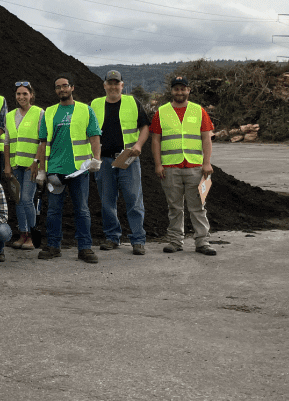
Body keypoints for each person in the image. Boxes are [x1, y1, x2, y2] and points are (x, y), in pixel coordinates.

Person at [35, 75, 102, 264]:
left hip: (79, 170)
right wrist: (41, 170)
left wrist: (96, 159)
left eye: (65, 86)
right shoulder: (49, 112)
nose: (62, 89)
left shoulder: (85, 110)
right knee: (54, 211)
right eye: (58, 87)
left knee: (82, 210)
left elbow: (94, 136)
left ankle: (85, 248)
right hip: (55, 170)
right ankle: (53, 246)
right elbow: (43, 143)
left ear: (72, 87)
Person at [151, 76, 216, 256]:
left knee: (198, 207)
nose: (179, 92)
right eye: (176, 89)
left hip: (195, 167)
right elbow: (155, 140)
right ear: (171, 91)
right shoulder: (161, 112)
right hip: (170, 168)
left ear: (188, 90)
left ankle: (202, 242)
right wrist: (158, 164)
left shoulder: (198, 111)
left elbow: (206, 138)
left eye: (183, 89)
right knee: (174, 207)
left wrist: (207, 162)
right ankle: (175, 241)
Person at [91, 70, 150, 255]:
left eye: (116, 83)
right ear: (104, 85)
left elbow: (145, 126)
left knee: (133, 199)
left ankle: (138, 239)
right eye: (110, 83)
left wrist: (138, 145)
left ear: (122, 85)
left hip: (128, 158)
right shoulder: (95, 104)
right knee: (107, 201)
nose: (113, 86)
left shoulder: (132, 102)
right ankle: (112, 237)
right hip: (104, 160)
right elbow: (89, 131)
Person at [3, 81, 45, 250]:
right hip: (15, 165)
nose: (21, 97)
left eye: (25, 94)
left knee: (27, 199)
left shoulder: (39, 113)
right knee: (18, 200)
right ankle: (23, 234)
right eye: (18, 94)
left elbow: (42, 141)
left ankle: (33, 235)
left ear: (31, 95)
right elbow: (7, 142)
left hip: (31, 166)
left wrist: (36, 162)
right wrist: (7, 165)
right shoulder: (9, 116)